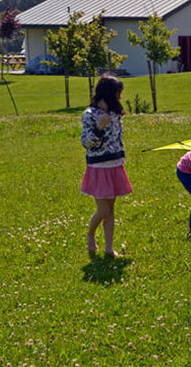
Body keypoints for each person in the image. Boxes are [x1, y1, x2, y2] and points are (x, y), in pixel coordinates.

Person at [80, 74, 132, 257]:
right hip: (98, 167)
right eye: (118, 92)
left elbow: (118, 138)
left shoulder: (115, 113)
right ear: (109, 93)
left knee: (110, 211)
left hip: (115, 164)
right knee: (103, 209)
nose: (119, 96)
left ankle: (109, 248)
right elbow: (86, 143)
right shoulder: (90, 115)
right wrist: (98, 128)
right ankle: (90, 234)